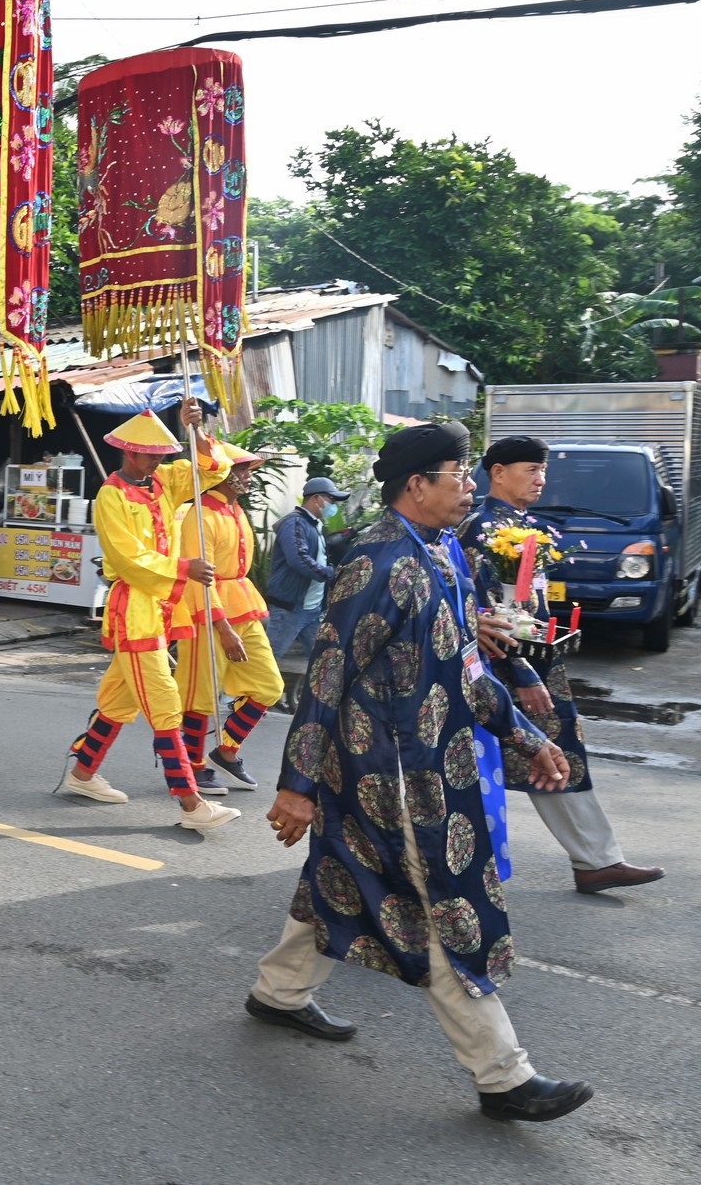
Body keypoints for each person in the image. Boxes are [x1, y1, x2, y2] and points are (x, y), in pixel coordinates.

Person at [247, 421, 595, 1123]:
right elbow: (326, 676)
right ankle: (504, 1076)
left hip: (443, 765)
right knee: (440, 912)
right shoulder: (374, 565)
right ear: (417, 485)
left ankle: (277, 992)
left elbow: (466, 665)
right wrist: (297, 783)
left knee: (343, 882)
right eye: (459, 476)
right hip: (390, 777)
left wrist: (527, 736)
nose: (471, 488)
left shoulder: (441, 553)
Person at [458, 435, 664, 895]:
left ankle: (595, 859)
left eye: (542, 470)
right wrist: (525, 675)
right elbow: (491, 612)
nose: (541, 479)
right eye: (530, 470)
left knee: (549, 757)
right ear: (498, 473)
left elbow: (528, 603)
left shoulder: (522, 524)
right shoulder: (483, 529)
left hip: (534, 658)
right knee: (524, 757)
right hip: (507, 670)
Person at [60, 404, 242, 831]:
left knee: (119, 703)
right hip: (135, 612)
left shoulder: (164, 482)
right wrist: (184, 569)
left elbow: (212, 469)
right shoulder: (111, 495)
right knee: (165, 704)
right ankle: (191, 803)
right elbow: (127, 558)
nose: (158, 459)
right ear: (128, 452)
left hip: (160, 609)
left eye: (162, 452)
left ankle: (83, 774)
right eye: (150, 454)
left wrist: (194, 429)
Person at [174, 442, 283, 795]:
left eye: (249, 469)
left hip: (241, 607)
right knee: (201, 695)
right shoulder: (200, 514)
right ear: (222, 472)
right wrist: (222, 628)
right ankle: (193, 766)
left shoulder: (235, 511)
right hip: (206, 612)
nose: (248, 476)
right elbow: (200, 579)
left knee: (269, 686)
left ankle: (227, 749)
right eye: (243, 469)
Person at [265, 477, 348, 662]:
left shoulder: (312, 524)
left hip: (312, 609)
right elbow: (299, 559)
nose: (333, 505)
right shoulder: (294, 523)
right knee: (266, 663)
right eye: (331, 499)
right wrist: (329, 573)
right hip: (290, 609)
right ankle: (244, 691)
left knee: (323, 662)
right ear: (316, 498)